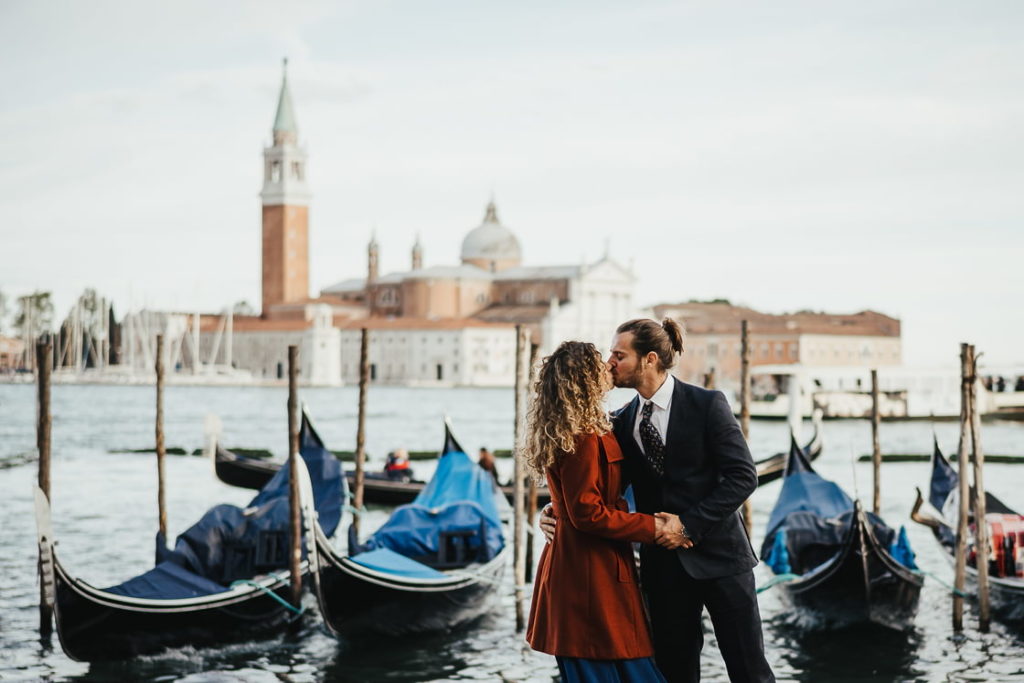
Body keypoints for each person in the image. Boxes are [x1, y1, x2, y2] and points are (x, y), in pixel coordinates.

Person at [542, 318, 775, 683]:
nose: (610, 363)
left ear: (649, 359)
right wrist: (554, 510)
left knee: (749, 671)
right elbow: (595, 489)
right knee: (675, 672)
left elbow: (743, 477)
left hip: (722, 559)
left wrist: (687, 525)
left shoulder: (707, 404)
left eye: (619, 355)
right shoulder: (619, 422)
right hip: (664, 569)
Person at [525, 340, 678, 683]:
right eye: (600, 364)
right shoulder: (582, 436)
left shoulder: (581, 428)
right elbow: (587, 512)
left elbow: (575, 502)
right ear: (585, 378)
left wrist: (555, 509)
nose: (609, 366)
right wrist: (653, 528)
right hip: (587, 574)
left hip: (589, 566)